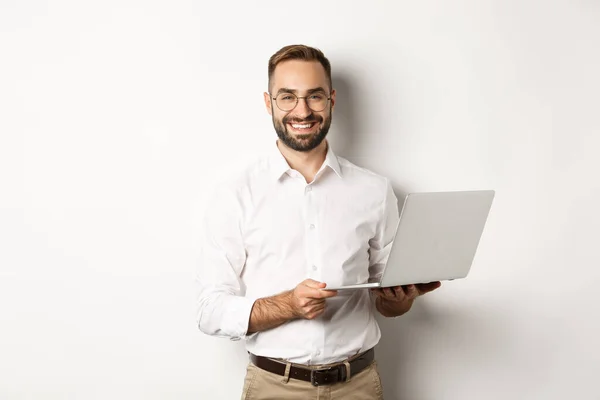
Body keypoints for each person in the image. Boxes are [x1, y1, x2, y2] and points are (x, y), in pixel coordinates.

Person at [196, 44, 441, 400]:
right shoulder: (235, 195)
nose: (302, 110)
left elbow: (388, 301)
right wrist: (288, 305)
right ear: (269, 103)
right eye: (288, 97)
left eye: (315, 96)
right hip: (273, 387)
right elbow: (209, 310)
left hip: (358, 385)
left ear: (331, 100)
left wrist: (401, 299)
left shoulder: (374, 189)